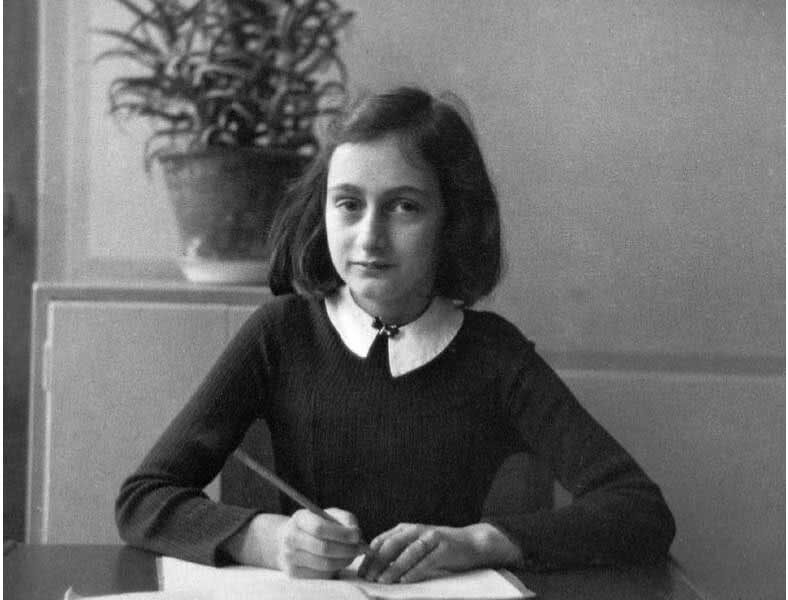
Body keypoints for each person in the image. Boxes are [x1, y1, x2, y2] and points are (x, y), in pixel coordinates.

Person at [116, 86, 675, 584]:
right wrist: (265, 538)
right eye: (349, 204)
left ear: (452, 221)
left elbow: (639, 509)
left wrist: (476, 542)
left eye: (404, 207)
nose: (369, 237)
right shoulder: (281, 333)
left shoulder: (493, 355)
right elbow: (143, 498)